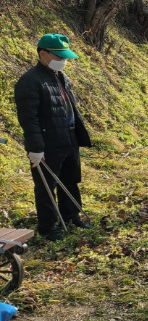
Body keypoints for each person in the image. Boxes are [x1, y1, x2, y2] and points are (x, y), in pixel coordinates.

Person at [14, 33, 93, 241]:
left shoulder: (61, 76)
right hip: (48, 143)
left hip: (69, 137)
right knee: (46, 186)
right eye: (59, 57)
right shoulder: (29, 81)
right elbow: (29, 119)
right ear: (43, 54)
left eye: (65, 57)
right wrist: (35, 148)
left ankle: (71, 214)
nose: (63, 61)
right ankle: (48, 227)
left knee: (70, 179)